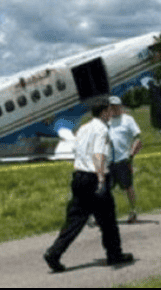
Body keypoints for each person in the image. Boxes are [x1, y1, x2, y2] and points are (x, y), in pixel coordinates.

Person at [43, 98, 133, 272]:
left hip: (79, 176)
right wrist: (100, 178)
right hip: (94, 177)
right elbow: (98, 153)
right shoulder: (101, 129)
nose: (111, 113)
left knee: (75, 219)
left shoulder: (83, 128)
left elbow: (76, 151)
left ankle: (54, 252)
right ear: (104, 112)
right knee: (108, 221)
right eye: (109, 110)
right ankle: (114, 255)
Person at [108, 96, 142, 224]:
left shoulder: (128, 120)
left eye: (116, 106)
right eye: (111, 107)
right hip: (109, 160)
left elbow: (138, 139)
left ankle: (133, 211)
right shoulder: (106, 121)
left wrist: (131, 155)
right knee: (105, 188)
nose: (114, 109)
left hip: (123, 159)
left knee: (128, 187)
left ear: (120, 107)